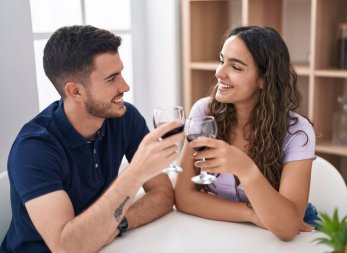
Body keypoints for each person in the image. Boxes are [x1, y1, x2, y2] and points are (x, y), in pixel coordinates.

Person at [1, 25, 184, 252]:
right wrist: (135, 173)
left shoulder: (124, 117)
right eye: (112, 79)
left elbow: (163, 194)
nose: (125, 86)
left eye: (121, 73)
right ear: (75, 91)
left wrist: (117, 224)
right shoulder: (33, 149)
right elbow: (67, 247)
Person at [175, 26, 318, 242]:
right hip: (237, 229)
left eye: (236, 67)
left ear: (264, 79)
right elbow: (184, 197)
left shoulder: (296, 131)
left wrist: (245, 169)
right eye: (221, 60)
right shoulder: (204, 113)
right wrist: (250, 213)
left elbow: (287, 227)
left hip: (295, 234)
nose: (219, 73)